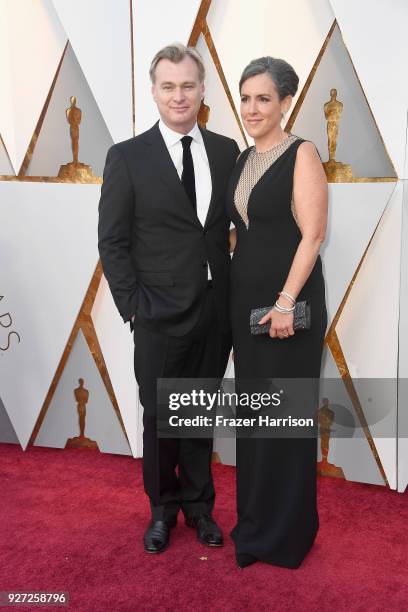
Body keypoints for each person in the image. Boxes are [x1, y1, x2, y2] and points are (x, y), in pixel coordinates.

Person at [98, 43, 239, 554]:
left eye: (188, 85)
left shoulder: (226, 152)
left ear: (203, 91)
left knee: (199, 414)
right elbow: (112, 241)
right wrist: (133, 305)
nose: (179, 95)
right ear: (153, 92)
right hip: (156, 314)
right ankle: (161, 511)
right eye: (168, 86)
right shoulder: (127, 157)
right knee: (160, 417)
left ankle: (200, 507)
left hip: (214, 311)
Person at [227, 57, 328, 569]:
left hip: (288, 309)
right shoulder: (244, 158)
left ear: (286, 102)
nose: (251, 108)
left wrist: (285, 303)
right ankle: (257, 520)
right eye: (245, 98)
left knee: (283, 420)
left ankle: (285, 534)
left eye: (263, 98)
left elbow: (312, 234)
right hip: (245, 309)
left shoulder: (302, 153)